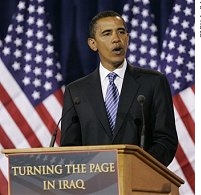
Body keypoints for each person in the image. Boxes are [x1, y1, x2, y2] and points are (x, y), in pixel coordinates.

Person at [60, 10, 178, 167]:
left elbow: (165, 140)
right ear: (93, 44)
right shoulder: (76, 91)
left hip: (138, 182)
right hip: (94, 185)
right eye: (107, 34)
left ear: (127, 39)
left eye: (121, 32)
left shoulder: (154, 82)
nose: (116, 39)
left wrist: (138, 168)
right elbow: (69, 148)